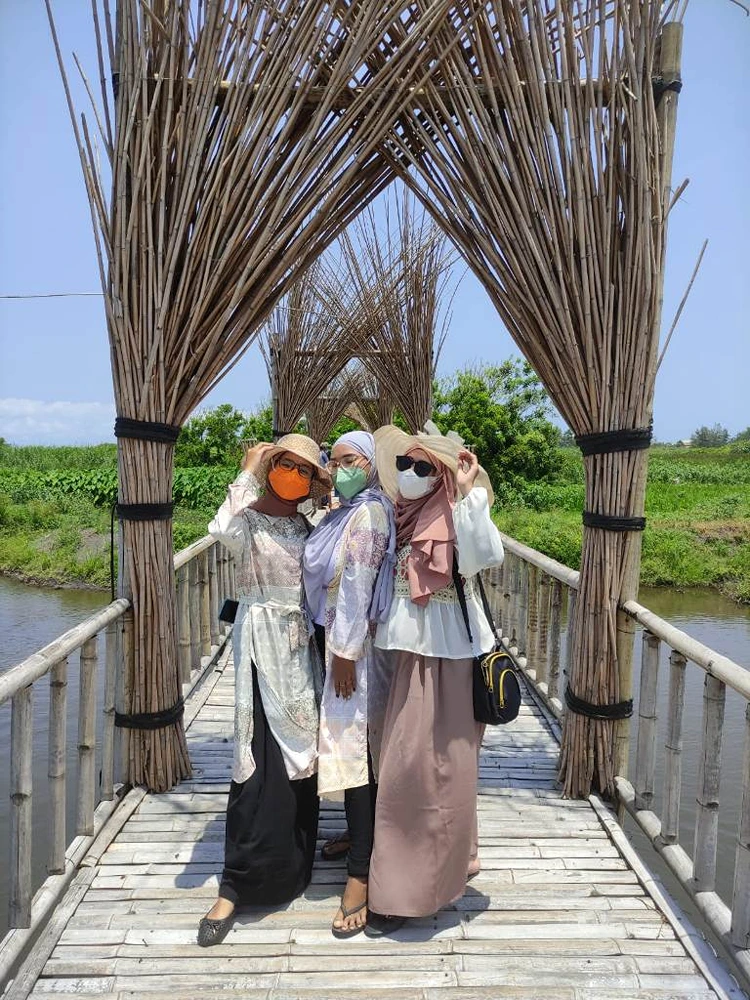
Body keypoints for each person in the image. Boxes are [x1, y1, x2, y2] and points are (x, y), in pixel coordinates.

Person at [365, 426, 504, 937]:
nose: (411, 473)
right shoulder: (401, 517)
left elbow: (485, 555)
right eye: (407, 463)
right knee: (408, 770)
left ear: (443, 474)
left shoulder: (459, 510)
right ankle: (423, 874)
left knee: (434, 774)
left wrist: (468, 492)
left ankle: (407, 892)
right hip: (408, 660)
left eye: (426, 468)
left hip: (450, 662)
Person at [197, 434, 331, 947]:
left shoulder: (310, 527)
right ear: (272, 465)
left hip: (302, 652)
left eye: (304, 470)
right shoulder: (247, 519)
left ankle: (291, 866)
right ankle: (235, 883)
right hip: (258, 648)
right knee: (255, 758)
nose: (293, 476)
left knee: (299, 757)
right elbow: (220, 530)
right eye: (285, 466)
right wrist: (249, 470)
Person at [303, 431, 396, 937]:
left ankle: (360, 874)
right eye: (331, 460)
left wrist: (344, 654)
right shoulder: (344, 510)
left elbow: (357, 585)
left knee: (354, 752)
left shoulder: (369, 514)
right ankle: (363, 837)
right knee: (354, 748)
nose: (337, 469)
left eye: (348, 460)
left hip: (353, 652)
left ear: (370, 463)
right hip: (337, 640)